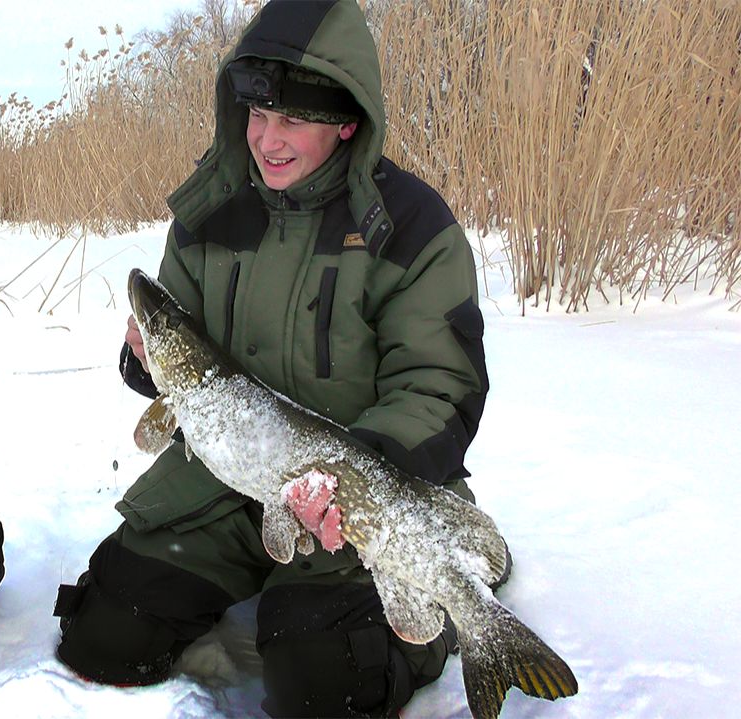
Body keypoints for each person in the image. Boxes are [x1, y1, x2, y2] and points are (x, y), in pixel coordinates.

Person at [53, 1, 503, 716]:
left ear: (346, 120)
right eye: (256, 115)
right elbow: (177, 354)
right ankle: (263, 575)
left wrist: (361, 472)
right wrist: (144, 358)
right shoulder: (211, 208)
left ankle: (443, 607)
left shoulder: (411, 226)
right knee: (104, 634)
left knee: (321, 679)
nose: (266, 137)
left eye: (292, 119)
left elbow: (439, 383)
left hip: (362, 498)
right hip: (227, 482)